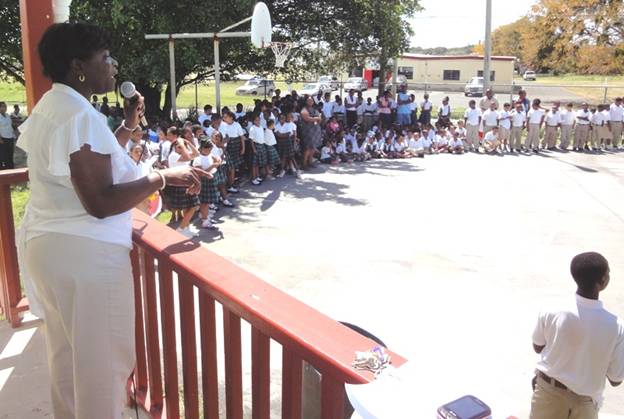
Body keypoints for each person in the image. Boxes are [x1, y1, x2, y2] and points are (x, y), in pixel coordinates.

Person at [18, 22, 208, 419]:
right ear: (78, 67)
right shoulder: (78, 116)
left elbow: (86, 167)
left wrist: (127, 127)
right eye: (104, 58)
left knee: (70, 361)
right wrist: (163, 177)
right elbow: (101, 200)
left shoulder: (56, 107)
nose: (114, 66)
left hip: (54, 250)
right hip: (84, 259)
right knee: (101, 368)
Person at [530, 252, 624, 419]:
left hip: (548, 394)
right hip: (585, 404)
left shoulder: (551, 308)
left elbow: (537, 346)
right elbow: (616, 379)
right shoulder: (615, 325)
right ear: (602, 281)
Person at [165, 138, 201, 237]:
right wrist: (183, 145)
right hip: (180, 184)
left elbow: (197, 154)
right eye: (179, 147)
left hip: (187, 183)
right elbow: (188, 157)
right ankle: (181, 228)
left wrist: (188, 142)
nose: (182, 149)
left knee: (187, 208)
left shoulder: (182, 154)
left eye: (182, 147)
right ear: (174, 147)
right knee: (194, 206)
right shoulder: (173, 156)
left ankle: (186, 228)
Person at [193, 140, 219, 230]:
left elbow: (216, 161)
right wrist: (213, 166)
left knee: (207, 202)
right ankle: (204, 220)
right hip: (203, 181)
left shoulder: (209, 155)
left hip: (211, 179)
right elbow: (200, 173)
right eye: (207, 149)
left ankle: (205, 217)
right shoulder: (198, 159)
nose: (209, 151)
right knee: (204, 202)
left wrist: (217, 162)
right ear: (202, 148)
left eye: (210, 149)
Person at [300, 97, 322, 170]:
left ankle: (310, 162)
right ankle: (304, 164)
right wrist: (316, 118)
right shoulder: (304, 110)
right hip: (307, 131)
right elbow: (306, 118)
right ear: (306, 101)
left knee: (313, 148)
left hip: (315, 131)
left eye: (311, 100)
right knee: (308, 148)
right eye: (309, 100)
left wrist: (317, 118)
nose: (310, 101)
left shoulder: (315, 109)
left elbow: (320, 118)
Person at [0, 101, 16, 170]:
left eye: (5, 106)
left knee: (10, 153)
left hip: (10, 137)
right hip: (3, 138)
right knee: (3, 155)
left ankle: (11, 168)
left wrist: (13, 135)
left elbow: (10, 126)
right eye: (3, 106)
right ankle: (5, 169)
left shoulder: (7, 115)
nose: (5, 108)